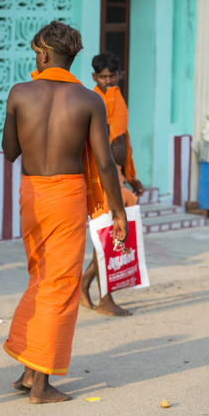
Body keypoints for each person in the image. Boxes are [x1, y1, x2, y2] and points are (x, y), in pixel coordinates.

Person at [2, 22, 128, 404]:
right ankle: (40, 385)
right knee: (60, 286)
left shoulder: (20, 93)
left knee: (41, 278)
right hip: (67, 196)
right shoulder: (88, 99)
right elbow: (105, 163)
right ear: (71, 59)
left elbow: (9, 152)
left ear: (43, 55)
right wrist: (117, 211)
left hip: (32, 196)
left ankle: (29, 372)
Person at [80, 51, 144, 317]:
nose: (108, 80)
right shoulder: (92, 101)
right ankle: (105, 299)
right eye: (103, 77)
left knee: (112, 237)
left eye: (112, 76)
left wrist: (131, 175)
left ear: (119, 76)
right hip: (100, 177)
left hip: (117, 175)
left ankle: (83, 286)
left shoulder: (117, 98)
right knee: (106, 238)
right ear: (95, 77)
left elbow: (123, 139)